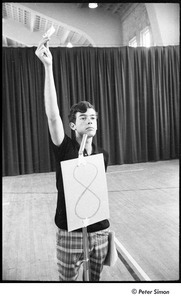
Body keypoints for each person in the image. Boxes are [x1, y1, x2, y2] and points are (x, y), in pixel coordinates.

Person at [35, 36, 110, 281]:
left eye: (93, 117)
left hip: (98, 231)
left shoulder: (102, 155)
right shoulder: (64, 148)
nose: (90, 120)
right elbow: (52, 116)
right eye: (83, 118)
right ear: (72, 124)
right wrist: (48, 67)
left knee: (94, 284)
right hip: (69, 231)